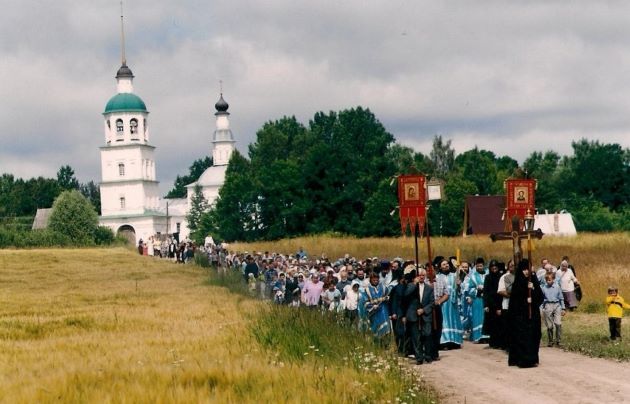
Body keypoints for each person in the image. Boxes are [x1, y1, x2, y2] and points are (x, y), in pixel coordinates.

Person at [507, 259, 543, 368]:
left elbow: (540, 297)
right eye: (524, 269)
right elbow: (514, 302)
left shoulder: (533, 280)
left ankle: (532, 358)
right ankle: (522, 360)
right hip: (521, 317)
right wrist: (525, 301)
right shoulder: (518, 283)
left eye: (528, 269)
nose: (526, 271)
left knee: (534, 336)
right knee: (522, 337)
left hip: (533, 316)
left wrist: (533, 290)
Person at [359, 272, 392, 344]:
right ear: (370, 280)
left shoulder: (383, 287)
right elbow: (364, 302)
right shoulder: (367, 290)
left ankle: (386, 344)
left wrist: (387, 298)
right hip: (373, 312)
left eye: (377, 280)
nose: (376, 281)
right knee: (375, 327)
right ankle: (377, 343)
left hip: (383, 310)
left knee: (385, 325)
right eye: (374, 280)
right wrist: (372, 306)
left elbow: (389, 295)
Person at [438, 258, 463, 348]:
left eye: (447, 264)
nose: (446, 265)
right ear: (440, 267)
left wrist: (459, 285)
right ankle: (444, 342)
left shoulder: (454, 275)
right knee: (444, 321)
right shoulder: (438, 277)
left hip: (453, 302)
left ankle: (455, 341)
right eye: (443, 264)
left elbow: (460, 291)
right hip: (443, 303)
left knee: (454, 320)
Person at [466, 257, 488, 343]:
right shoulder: (473, 277)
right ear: (476, 266)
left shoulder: (487, 274)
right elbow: (470, 290)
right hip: (477, 300)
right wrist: (478, 289)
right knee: (477, 317)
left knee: (485, 317)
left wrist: (485, 288)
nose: (479, 267)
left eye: (481, 266)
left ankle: (486, 336)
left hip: (486, 299)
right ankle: (478, 337)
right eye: (478, 266)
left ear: (483, 266)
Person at [541, 273, 565, 347]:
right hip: (548, 305)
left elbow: (561, 298)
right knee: (550, 325)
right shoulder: (543, 288)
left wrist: (563, 308)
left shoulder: (557, 287)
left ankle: (558, 340)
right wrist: (541, 308)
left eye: (550, 280)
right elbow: (541, 299)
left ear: (553, 279)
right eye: (547, 280)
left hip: (556, 305)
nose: (548, 281)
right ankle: (550, 341)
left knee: (558, 323)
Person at [483, 259, 503, 348]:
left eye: (495, 268)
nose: (494, 269)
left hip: (499, 301)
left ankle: (499, 341)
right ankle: (493, 342)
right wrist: (486, 304)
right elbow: (486, 291)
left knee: (499, 323)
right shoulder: (488, 277)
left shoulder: (501, 276)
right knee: (492, 323)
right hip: (490, 303)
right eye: (492, 268)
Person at [497, 260, 515, 350]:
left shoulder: (519, 276)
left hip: (517, 306)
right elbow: (500, 290)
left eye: (514, 265)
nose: (512, 266)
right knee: (507, 326)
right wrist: (513, 296)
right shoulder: (504, 277)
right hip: (507, 304)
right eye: (510, 265)